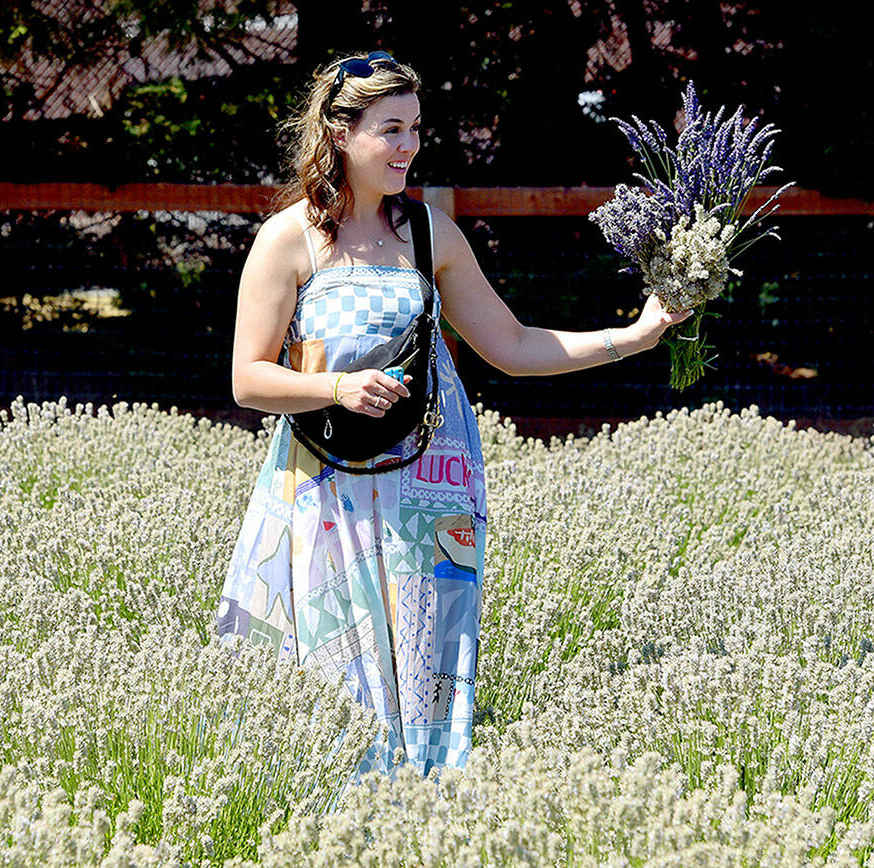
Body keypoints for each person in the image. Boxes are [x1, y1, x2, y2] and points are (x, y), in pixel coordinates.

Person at [216, 52, 689, 775]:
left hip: (430, 492)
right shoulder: (292, 238)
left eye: (415, 129)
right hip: (327, 494)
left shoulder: (431, 234)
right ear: (341, 133)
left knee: (429, 672)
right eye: (390, 129)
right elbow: (249, 380)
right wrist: (338, 390)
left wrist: (634, 335)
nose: (408, 146)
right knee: (336, 676)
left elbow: (513, 344)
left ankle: (426, 823)